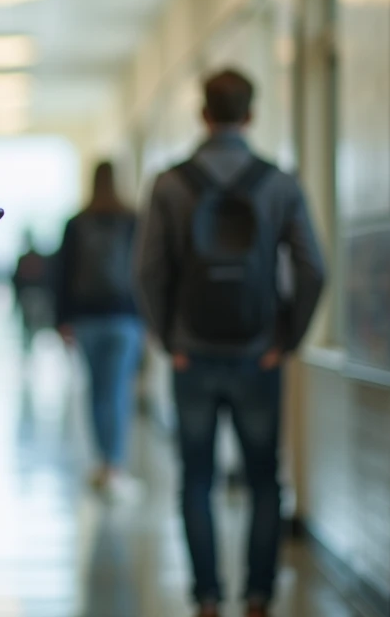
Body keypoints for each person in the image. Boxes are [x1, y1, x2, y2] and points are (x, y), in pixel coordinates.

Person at [135, 69, 326, 617]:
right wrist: (286, 339)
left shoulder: (170, 184)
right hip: (258, 354)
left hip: (191, 354)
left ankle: (207, 598)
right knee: (264, 480)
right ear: (251, 115)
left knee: (197, 479)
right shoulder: (279, 183)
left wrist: (169, 339)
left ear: (203, 115)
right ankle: (259, 597)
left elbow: (147, 272)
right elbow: (313, 269)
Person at [54, 161, 145, 501]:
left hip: (86, 318)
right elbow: (145, 271)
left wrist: (62, 320)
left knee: (96, 391)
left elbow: (60, 274)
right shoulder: (133, 220)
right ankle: (115, 468)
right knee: (118, 391)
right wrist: (149, 319)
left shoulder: (76, 223)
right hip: (125, 318)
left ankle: (102, 464)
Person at [11, 232, 54, 349]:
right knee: (29, 323)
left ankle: (31, 343)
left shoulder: (32, 259)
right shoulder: (29, 258)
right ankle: (29, 343)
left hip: (34, 295)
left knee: (33, 323)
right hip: (29, 295)